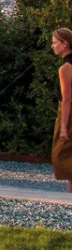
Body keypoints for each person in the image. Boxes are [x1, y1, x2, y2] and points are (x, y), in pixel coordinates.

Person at [52, 28, 72, 189]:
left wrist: (64, 128)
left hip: (68, 114)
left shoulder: (66, 68)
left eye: (55, 42)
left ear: (65, 44)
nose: (53, 46)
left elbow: (67, 100)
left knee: (62, 156)